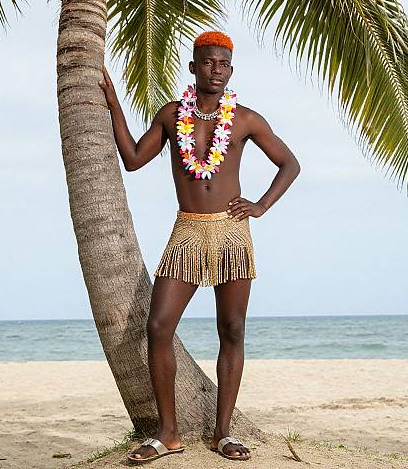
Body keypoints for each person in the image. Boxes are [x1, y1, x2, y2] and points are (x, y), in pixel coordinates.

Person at [99, 30, 300, 463]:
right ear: (194, 67)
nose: (216, 70)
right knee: (158, 326)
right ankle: (167, 434)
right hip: (187, 232)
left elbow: (290, 163)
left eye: (224, 64)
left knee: (232, 330)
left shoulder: (245, 119)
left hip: (231, 233)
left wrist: (262, 205)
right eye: (208, 62)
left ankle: (222, 434)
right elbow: (134, 159)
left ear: (231, 70)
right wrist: (114, 104)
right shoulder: (172, 115)